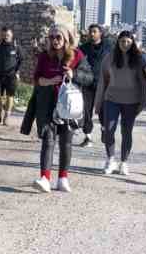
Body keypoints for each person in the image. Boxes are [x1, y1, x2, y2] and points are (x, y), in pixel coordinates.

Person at [21, 26, 93, 192]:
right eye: (52, 37)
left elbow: (89, 78)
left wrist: (74, 75)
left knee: (66, 142)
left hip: (68, 105)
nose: (55, 40)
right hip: (47, 103)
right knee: (48, 140)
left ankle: (63, 178)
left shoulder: (77, 55)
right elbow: (36, 78)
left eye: (58, 37)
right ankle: (45, 178)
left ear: (66, 38)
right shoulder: (45, 56)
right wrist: (48, 81)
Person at [95, 28, 146, 176]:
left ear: (132, 43)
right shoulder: (110, 57)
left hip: (131, 100)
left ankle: (124, 162)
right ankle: (110, 160)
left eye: (128, 42)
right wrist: (98, 102)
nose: (125, 44)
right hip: (111, 98)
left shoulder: (138, 58)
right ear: (118, 42)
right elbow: (102, 80)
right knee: (109, 130)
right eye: (122, 41)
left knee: (126, 132)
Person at [77, 24, 110, 149]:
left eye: (94, 31)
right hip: (87, 83)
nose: (91, 34)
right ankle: (88, 137)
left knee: (104, 111)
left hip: (103, 84)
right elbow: (76, 60)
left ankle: (104, 129)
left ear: (100, 33)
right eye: (90, 31)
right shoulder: (83, 48)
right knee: (86, 111)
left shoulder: (108, 47)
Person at [0, 27, 23, 125]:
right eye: (3, 35)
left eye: (7, 35)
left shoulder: (16, 47)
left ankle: (7, 116)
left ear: (11, 35)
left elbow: (21, 60)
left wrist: (17, 72)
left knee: (10, 96)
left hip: (11, 76)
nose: (5, 37)